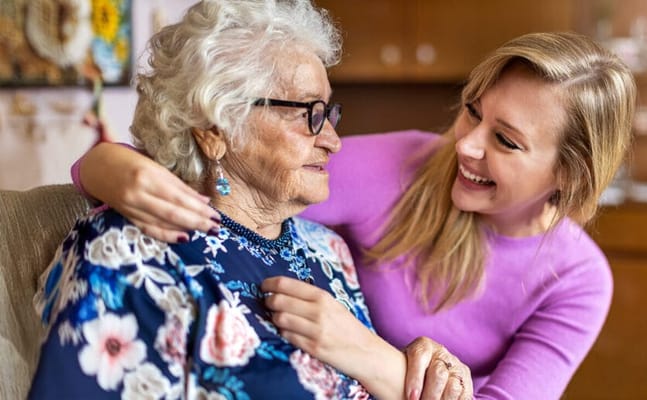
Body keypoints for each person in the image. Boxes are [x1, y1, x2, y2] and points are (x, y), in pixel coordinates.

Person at [72, 30, 637, 399]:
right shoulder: (405, 167)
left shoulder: (579, 281)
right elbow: (228, 171)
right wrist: (105, 166)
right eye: (473, 112)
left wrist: (368, 356)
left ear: (569, 175)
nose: (465, 145)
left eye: (506, 142)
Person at [29, 1, 470, 399]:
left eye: (329, 113)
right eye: (307, 114)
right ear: (216, 131)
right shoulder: (128, 253)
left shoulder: (327, 250)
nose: (333, 141)